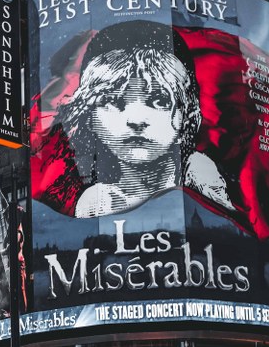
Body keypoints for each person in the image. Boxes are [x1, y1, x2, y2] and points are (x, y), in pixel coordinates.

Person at [55, 20, 232, 218]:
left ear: (187, 115)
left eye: (159, 100)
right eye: (114, 101)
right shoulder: (96, 200)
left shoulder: (201, 176)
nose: (137, 120)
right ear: (90, 117)